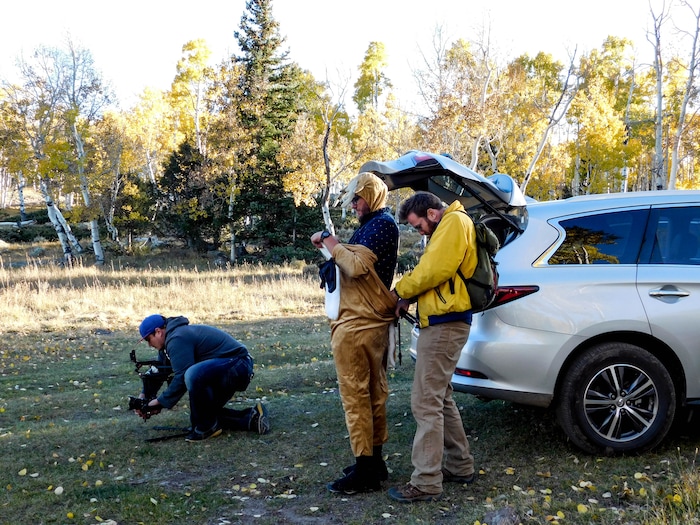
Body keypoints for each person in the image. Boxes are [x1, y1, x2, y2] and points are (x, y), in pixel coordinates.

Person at [310, 172, 399, 495]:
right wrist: (332, 248)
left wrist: (329, 240)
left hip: (358, 323)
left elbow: (357, 268)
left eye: (357, 199)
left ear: (371, 196)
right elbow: (359, 264)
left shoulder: (380, 225)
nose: (354, 205)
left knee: (356, 395)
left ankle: (366, 471)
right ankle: (374, 462)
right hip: (369, 320)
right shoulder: (379, 224)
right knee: (373, 393)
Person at [388, 191, 477, 503]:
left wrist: (401, 290)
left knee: (425, 402)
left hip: (446, 324)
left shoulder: (453, 222)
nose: (419, 231)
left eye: (418, 225)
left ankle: (426, 482)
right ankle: (460, 465)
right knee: (441, 398)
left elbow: (435, 270)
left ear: (432, 213)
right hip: (444, 321)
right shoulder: (451, 223)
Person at [134, 314, 270, 442]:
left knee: (192, 374)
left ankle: (207, 429)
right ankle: (252, 418)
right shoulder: (169, 342)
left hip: (238, 365)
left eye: (148, 339)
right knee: (203, 416)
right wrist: (144, 397)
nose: (149, 344)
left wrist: (160, 402)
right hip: (230, 367)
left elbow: (182, 376)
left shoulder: (177, 338)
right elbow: (160, 371)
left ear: (158, 331)